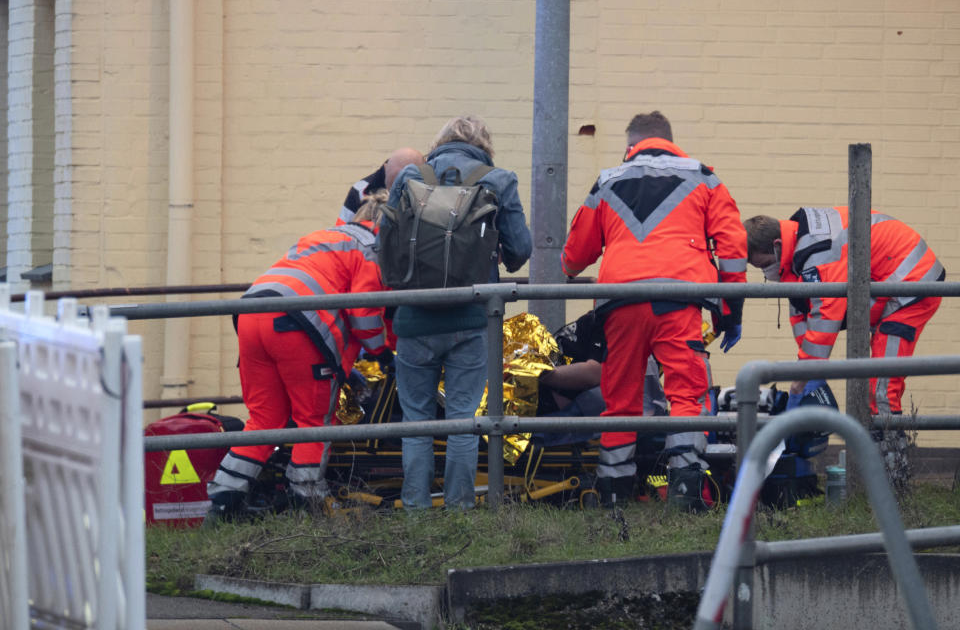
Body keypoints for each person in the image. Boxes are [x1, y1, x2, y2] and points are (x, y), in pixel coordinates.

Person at [561, 111, 747, 511]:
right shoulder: (704, 177)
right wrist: (730, 312)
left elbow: (573, 259)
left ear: (632, 146)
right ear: (669, 139)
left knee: (621, 397)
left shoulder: (608, 180)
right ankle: (686, 489)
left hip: (619, 303)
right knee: (686, 392)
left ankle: (613, 493)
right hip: (678, 300)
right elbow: (733, 248)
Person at [205, 192, 393, 524]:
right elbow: (363, 311)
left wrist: (344, 369)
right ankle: (305, 504)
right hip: (297, 325)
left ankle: (223, 502)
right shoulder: (371, 248)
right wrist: (382, 353)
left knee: (263, 421)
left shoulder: (323, 237)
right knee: (314, 422)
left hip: (251, 315)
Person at [382, 115, 532, 510]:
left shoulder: (410, 176)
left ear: (440, 141)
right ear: (484, 144)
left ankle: (416, 512)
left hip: (414, 319)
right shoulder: (498, 179)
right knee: (464, 420)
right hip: (471, 320)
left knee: (417, 422)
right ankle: (459, 513)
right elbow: (521, 252)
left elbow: (385, 242)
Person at [744, 207, 944, 415]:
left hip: (913, 282)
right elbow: (801, 310)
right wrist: (806, 372)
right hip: (891, 276)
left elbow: (824, 316)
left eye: (765, 264)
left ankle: (888, 442)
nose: (766, 272)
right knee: (878, 369)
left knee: (882, 382)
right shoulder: (799, 243)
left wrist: (805, 375)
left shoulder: (818, 254)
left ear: (777, 246)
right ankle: (876, 437)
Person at [338, 147, 424, 225]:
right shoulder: (360, 190)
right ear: (386, 168)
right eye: (395, 178)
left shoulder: (426, 189)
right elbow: (341, 230)